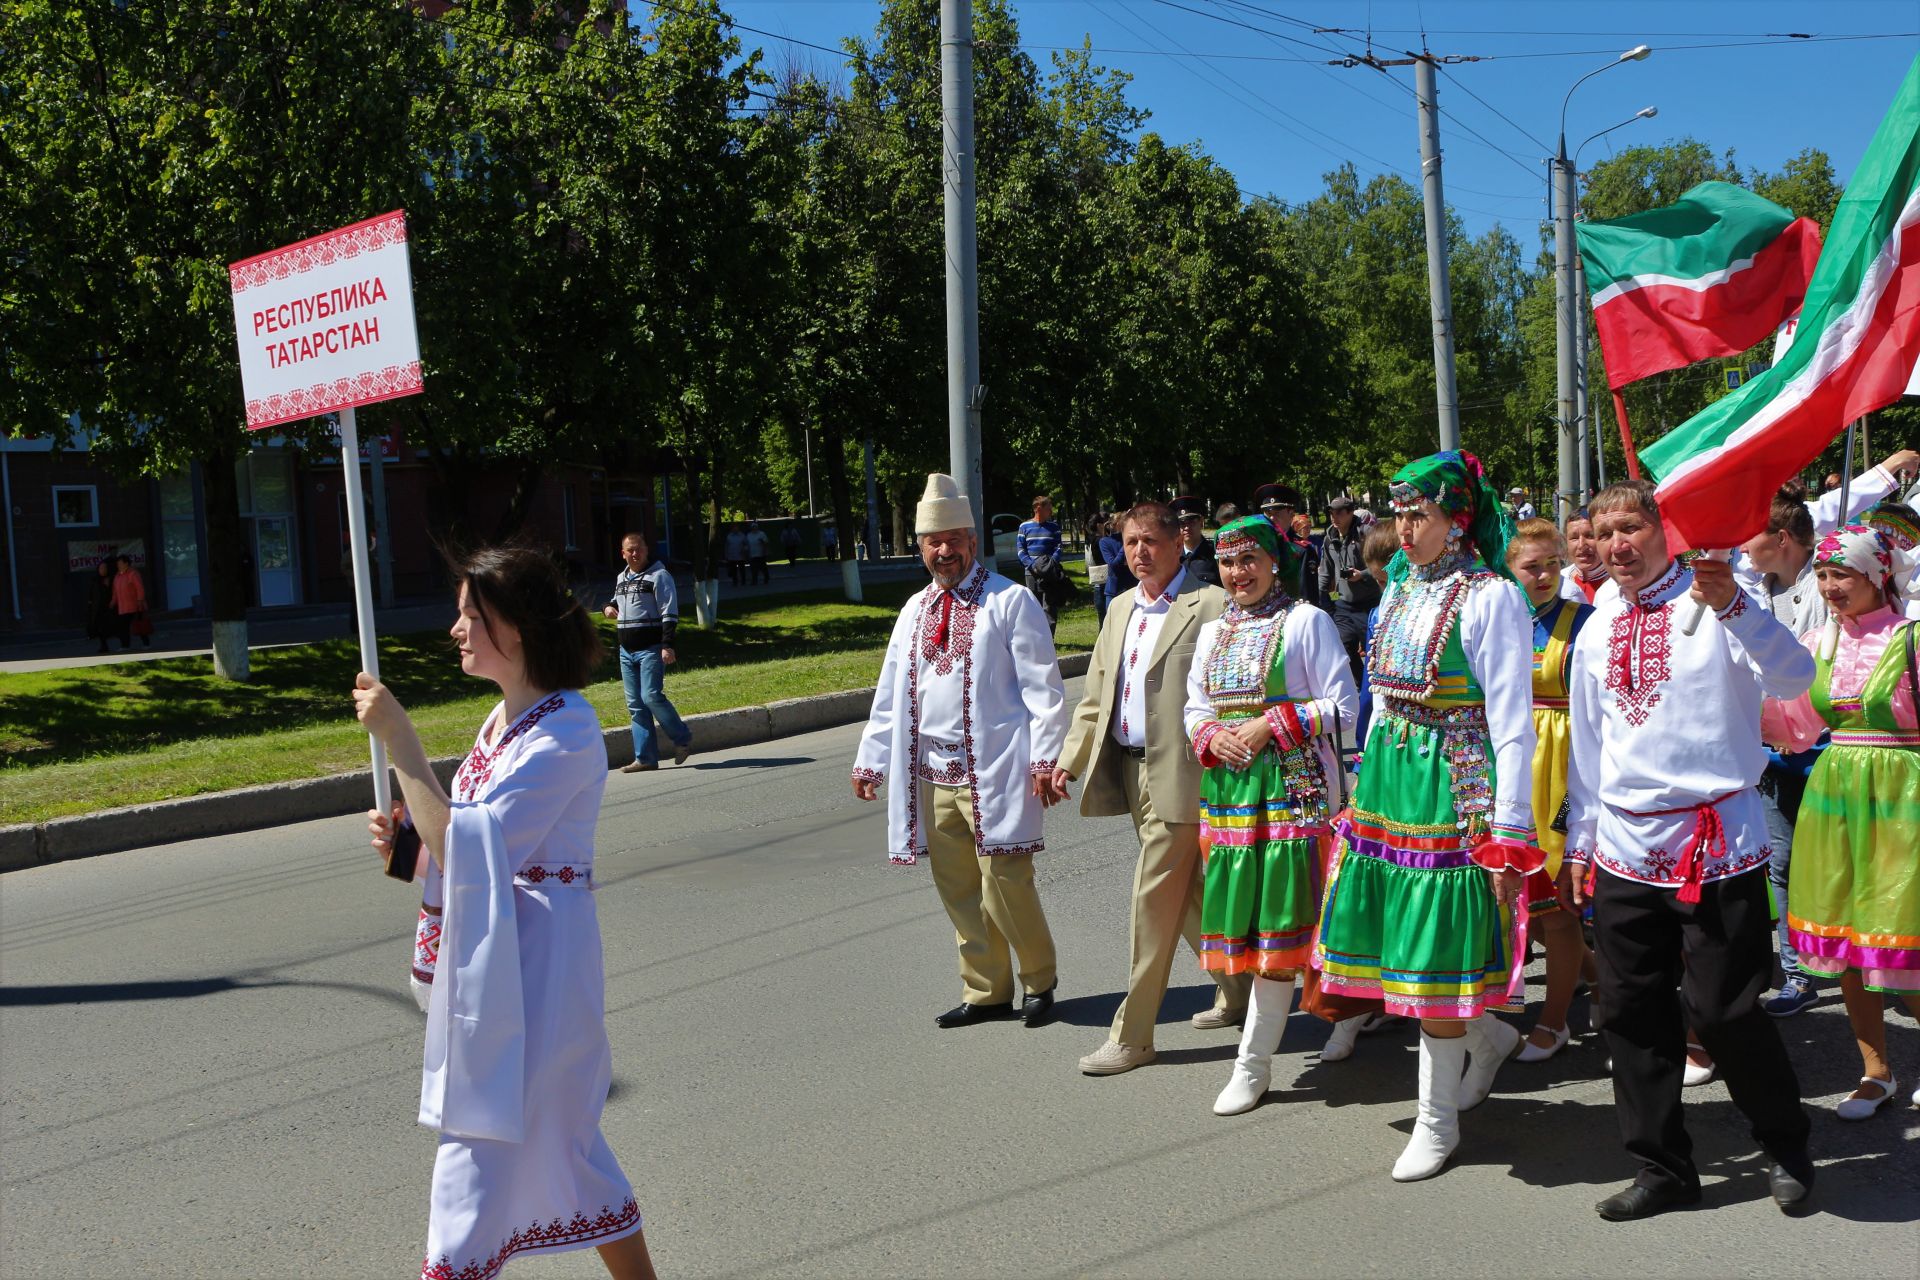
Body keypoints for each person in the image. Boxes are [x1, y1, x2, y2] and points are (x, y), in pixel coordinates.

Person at [353, 545, 656, 1280]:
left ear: (516, 629)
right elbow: (469, 845)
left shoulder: (569, 729)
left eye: (471, 616)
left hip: (539, 969)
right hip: (501, 959)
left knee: (481, 1139)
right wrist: (407, 848)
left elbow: (468, 848)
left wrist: (401, 742)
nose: (455, 629)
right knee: (560, 1143)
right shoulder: (502, 721)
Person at [1562, 478, 1816, 1221]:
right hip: (1624, 843)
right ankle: (1663, 1167)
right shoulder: (1600, 622)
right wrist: (1582, 834)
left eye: (1630, 528)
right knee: (1631, 1010)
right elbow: (1589, 743)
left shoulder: (1722, 601)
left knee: (1725, 1009)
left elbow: (1796, 677)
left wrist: (1735, 606)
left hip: (1718, 841)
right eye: (1603, 532)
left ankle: (1785, 1142)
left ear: (1662, 530)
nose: (1616, 545)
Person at [1315, 450, 1538, 1182]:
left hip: (1453, 780)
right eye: (1399, 515)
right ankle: (1490, 1037)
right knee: (1402, 944)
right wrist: (1360, 783)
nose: (1404, 530)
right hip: (1391, 781)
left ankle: (1437, 1123)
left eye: (1421, 515)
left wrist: (1511, 827)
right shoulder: (1404, 585)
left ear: (1458, 518)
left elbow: (1511, 717)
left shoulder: (1490, 596)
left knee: (1437, 949)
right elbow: (1379, 694)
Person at [852, 474, 1067, 1029]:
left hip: (992, 768)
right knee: (958, 888)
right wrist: (872, 758)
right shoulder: (914, 610)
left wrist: (1045, 759)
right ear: (921, 547)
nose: (943, 551)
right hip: (933, 771)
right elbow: (890, 693)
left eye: (953, 539)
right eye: (932, 541)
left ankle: (1039, 979)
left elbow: (1043, 690)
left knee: (1005, 882)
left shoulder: (1009, 601)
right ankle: (986, 989)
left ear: (973, 541)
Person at [1057, 502, 1245, 1076]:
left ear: (1178, 543)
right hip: (1132, 769)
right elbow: (1095, 698)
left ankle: (1134, 1034)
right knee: (1187, 896)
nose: (1140, 552)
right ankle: (1239, 993)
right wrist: (1065, 762)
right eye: (1131, 542)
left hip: (1189, 773)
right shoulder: (1118, 609)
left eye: (1151, 542)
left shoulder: (1211, 603)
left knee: (1151, 901)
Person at [1183, 515, 1356, 1114]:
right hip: (1231, 801)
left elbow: (1344, 704)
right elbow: (1194, 706)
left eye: (1249, 560)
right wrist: (1209, 733)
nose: (1239, 573)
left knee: (1293, 927)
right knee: (1263, 930)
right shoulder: (1212, 633)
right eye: (1229, 563)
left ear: (1274, 561)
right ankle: (1352, 1017)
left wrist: (1270, 724)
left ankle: (1253, 1065)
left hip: (1294, 796)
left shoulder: (1305, 621)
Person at [1761, 524, 1920, 1118]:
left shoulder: (1911, 638)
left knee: (1901, 934)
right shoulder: (1818, 642)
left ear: (1877, 574)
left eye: (1842, 574)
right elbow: (1792, 723)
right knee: (1850, 940)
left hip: (1904, 795)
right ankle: (1875, 1071)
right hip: (1835, 794)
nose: (1829, 586)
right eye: (1823, 574)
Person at [1504, 519, 1598, 1062]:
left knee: (1557, 906)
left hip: (1564, 766)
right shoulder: (1500, 620)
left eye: (1550, 565)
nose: (1542, 576)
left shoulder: (1583, 621)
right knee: (1529, 904)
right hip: (1514, 762)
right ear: (1510, 570)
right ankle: (1597, 977)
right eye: (1530, 566)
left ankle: (1555, 1020)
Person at [1739, 488, 1830, 1018]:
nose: (1743, 546)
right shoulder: (1755, 593)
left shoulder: (1831, 580)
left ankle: (1858, 959)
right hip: (1773, 753)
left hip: (1827, 750)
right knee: (1781, 863)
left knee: (1836, 863)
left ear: (1781, 538)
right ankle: (1797, 974)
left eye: (1752, 533)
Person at [603, 532, 692, 773]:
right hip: (626, 651)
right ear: (623, 553)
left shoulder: (659, 576)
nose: (634, 553)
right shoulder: (622, 577)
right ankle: (645, 758)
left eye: (638, 549)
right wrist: (608, 608)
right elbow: (613, 602)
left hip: (651, 649)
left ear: (646, 550)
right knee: (635, 704)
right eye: (629, 550)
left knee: (651, 695)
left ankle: (682, 737)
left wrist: (667, 645)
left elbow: (669, 613)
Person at [1317, 496, 1379, 692]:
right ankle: (1362, 687)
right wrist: (1324, 602)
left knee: (1374, 652)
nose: (1335, 517)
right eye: (1331, 512)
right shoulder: (1329, 538)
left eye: (1340, 512)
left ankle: (1377, 687)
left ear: (1351, 512)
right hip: (1343, 605)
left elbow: (1381, 566)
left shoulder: (1366, 534)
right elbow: (1325, 572)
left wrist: (1362, 575)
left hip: (1369, 604)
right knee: (1343, 649)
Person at [1253, 484, 1319, 606]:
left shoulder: (1301, 550)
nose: (1272, 518)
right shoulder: (1257, 547)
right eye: (1268, 513)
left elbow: (1308, 597)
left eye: (1277, 512)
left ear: (1291, 514)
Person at [1017, 494, 1067, 633]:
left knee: (1050, 607)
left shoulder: (1054, 527)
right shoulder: (1024, 527)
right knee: (1033, 606)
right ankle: (1036, 637)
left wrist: (1050, 565)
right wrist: (1033, 566)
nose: (1051, 512)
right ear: (1038, 508)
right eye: (1048, 509)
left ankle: (1049, 638)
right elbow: (1021, 551)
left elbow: (1059, 548)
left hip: (1050, 573)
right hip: (1031, 573)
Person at [1092, 514, 1136, 628]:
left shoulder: (1134, 539)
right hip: (1114, 590)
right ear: (1117, 524)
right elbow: (1113, 564)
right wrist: (1126, 546)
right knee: (1113, 626)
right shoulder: (1105, 541)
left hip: (1132, 587)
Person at [1169, 495, 1220, 587]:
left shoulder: (1216, 554)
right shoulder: (1172, 557)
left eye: (1191, 522)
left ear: (1201, 522)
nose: (1187, 527)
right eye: (1182, 523)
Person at [1560, 509, 1609, 604]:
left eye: (1590, 536)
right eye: (1574, 538)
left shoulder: (1620, 584)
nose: (1581, 545)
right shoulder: (1560, 580)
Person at [111, 553, 151, 649]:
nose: (118, 565)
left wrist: (140, 600)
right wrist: (113, 601)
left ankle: (146, 644)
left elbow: (140, 588)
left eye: (120, 563)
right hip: (123, 607)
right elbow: (115, 591)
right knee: (123, 627)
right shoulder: (117, 576)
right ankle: (125, 646)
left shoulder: (133, 574)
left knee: (139, 625)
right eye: (117, 563)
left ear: (126, 564)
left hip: (135, 605)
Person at [86, 559, 115, 654]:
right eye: (101, 568)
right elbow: (91, 593)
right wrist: (90, 603)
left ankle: (105, 645)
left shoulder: (110, 579)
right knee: (98, 627)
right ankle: (103, 645)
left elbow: (113, 592)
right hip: (96, 608)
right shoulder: (94, 580)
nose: (103, 570)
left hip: (107, 608)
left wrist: (108, 586)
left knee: (105, 627)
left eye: (105, 568)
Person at [745, 520, 770, 585]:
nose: (754, 528)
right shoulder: (748, 535)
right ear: (751, 528)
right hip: (752, 554)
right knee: (753, 569)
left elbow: (766, 543)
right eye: (753, 527)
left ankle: (766, 578)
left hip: (761, 554)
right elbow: (747, 544)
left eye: (755, 527)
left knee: (763, 568)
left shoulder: (761, 534)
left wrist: (765, 551)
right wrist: (747, 553)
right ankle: (754, 581)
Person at [723, 523, 748, 588]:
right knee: (733, 570)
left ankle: (743, 581)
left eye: (736, 528)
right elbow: (726, 546)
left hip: (741, 556)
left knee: (742, 569)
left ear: (738, 528)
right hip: (732, 556)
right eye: (734, 528)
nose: (735, 529)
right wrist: (726, 554)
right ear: (732, 529)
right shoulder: (729, 536)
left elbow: (746, 544)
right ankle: (735, 582)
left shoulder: (742, 535)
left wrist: (744, 550)